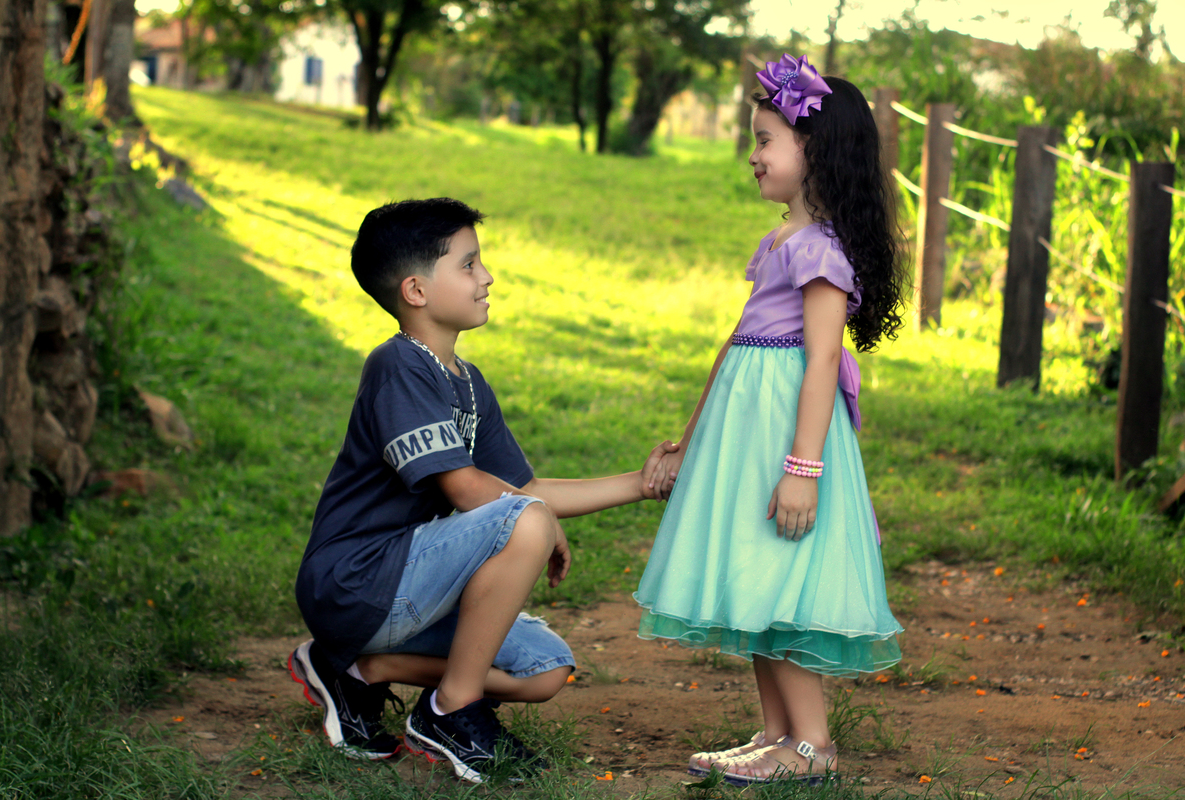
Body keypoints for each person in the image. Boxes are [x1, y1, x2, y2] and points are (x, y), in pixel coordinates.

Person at [290, 198, 674, 783]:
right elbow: (468, 488)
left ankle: (362, 671)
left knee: (546, 671)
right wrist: (532, 518)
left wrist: (645, 485)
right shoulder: (397, 366)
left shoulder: (468, 384)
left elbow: (528, 489)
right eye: (469, 265)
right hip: (356, 585)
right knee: (526, 518)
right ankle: (450, 711)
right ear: (416, 291)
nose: (487, 276)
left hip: (413, 593)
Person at [635, 53, 906, 787]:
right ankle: (777, 732)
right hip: (745, 433)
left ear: (812, 151)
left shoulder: (820, 250)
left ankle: (813, 744)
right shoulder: (781, 241)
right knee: (753, 572)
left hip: (788, 439)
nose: (753, 157)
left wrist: (802, 469)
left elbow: (821, 361)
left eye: (764, 141)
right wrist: (691, 436)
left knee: (779, 576)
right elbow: (735, 345)